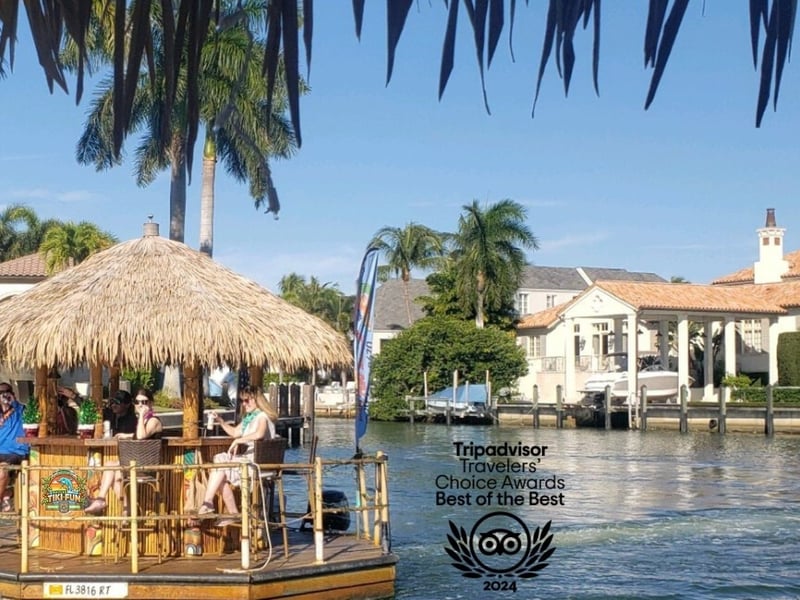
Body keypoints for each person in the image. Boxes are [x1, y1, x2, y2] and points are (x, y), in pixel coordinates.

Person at [198, 386, 278, 526]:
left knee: (220, 465)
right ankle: (216, 505)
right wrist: (220, 420)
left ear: (257, 400)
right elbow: (235, 432)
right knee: (219, 468)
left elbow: (259, 434)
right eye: (242, 401)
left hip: (258, 462)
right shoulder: (250, 418)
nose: (244, 404)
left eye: (247, 400)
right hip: (250, 459)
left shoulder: (262, 416)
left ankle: (218, 507)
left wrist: (238, 441)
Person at [85, 388, 162, 515]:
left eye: (144, 402)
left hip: (147, 466)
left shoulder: (154, 420)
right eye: (137, 402)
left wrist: (141, 416)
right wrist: (127, 435)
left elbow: (141, 436)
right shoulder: (143, 421)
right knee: (116, 476)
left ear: (151, 403)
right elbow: (139, 434)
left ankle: (102, 500)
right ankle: (127, 510)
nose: (140, 405)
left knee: (110, 466)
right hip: (134, 464)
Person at [0, 383, 29, 513]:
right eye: (0, 393)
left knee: (2, 472)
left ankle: (4, 496)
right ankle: (7, 493)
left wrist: (14, 402)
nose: (4, 395)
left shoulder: (20, 409)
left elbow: (28, 414)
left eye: (6, 391)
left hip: (15, 452)